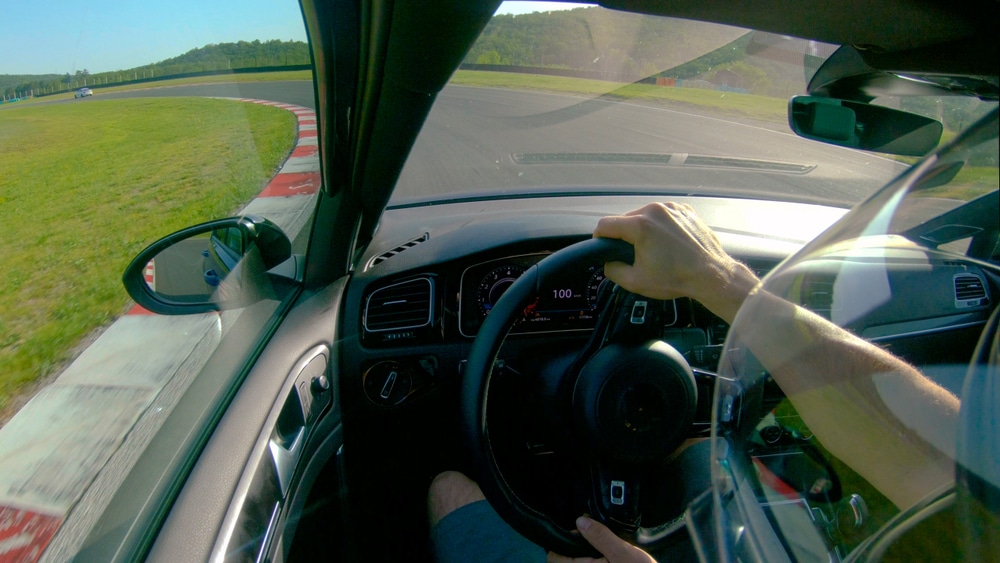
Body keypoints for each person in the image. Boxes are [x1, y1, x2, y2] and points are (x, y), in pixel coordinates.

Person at [427, 202, 960, 562]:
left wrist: (719, 278)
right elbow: (931, 453)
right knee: (702, 449)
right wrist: (718, 280)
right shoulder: (983, 505)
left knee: (447, 489)